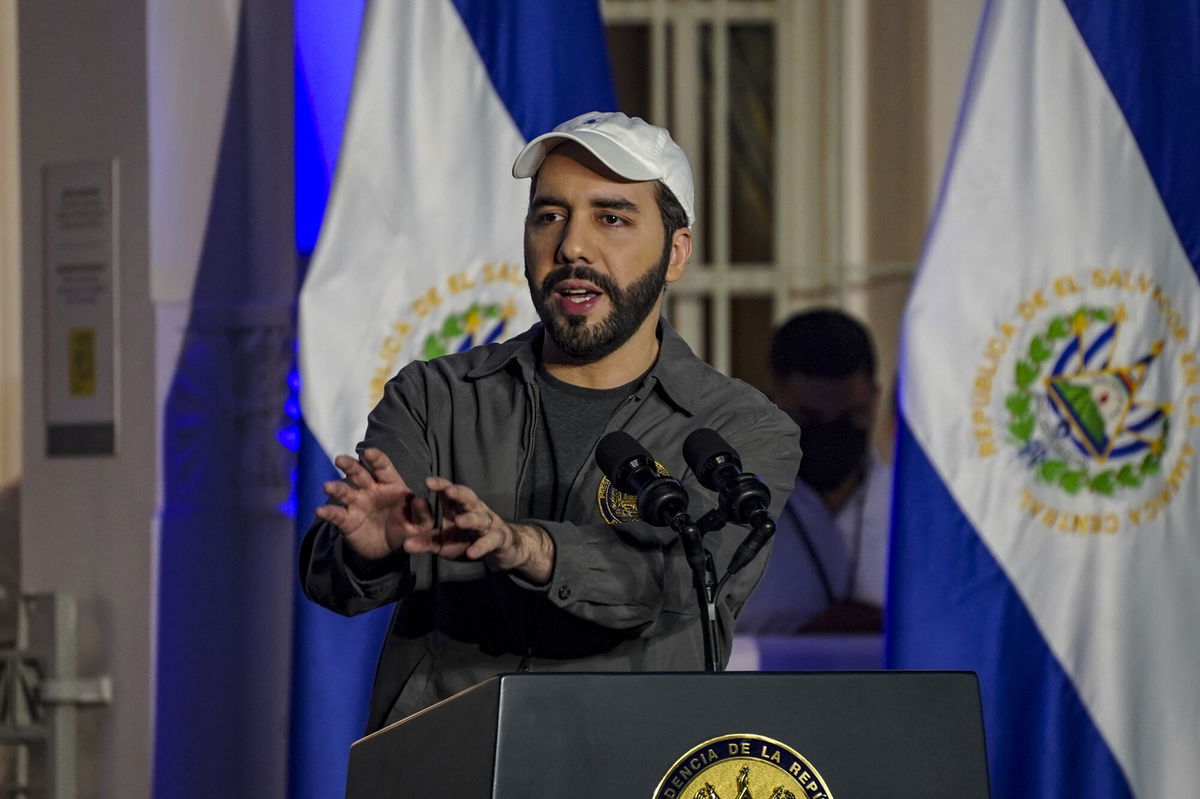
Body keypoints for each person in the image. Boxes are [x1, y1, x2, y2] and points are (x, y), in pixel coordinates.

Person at [300, 111, 801, 731]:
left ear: (675, 253)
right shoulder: (436, 397)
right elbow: (334, 584)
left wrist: (522, 546)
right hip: (444, 765)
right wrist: (367, 552)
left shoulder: (742, 430)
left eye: (611, 218)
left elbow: (667, 582)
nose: (571, 246)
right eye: (549, 215)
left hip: (628, 763)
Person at [737, 309, 891, 634]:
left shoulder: (912, 506)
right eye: (809, 418)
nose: (832, 431)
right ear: (772, 403)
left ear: (876, 398)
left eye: (851, 414)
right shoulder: (731, 508)